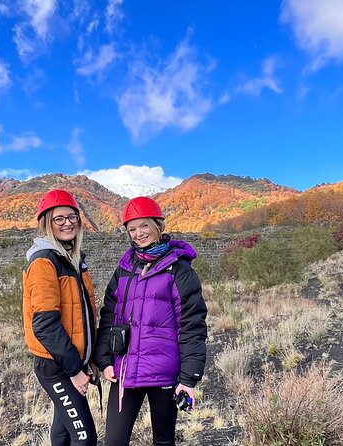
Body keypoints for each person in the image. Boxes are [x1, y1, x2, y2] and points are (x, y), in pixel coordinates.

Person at [94, 196, 208, 446]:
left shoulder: (179, 270)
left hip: (165, 375)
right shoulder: (124, 268)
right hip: (125, 371)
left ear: (158, 225)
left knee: (164, 441)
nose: (138, 233)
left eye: (144, 225)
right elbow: (109, 315)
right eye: (132, 228)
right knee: (113, 441)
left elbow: (191, 326)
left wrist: (188, 379)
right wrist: (104, 361)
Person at [22, 189, 98, 446]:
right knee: (84, 436)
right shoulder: (45, 262)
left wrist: (90, 359)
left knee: (64, 432)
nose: (68, 223)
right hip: (57, 366)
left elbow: (83, 316)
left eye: (72, 217)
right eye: (59, 219)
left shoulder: (73, 261)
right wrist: (75, 370)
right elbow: (44, 324)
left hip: (71, 361)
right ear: (47, 224)